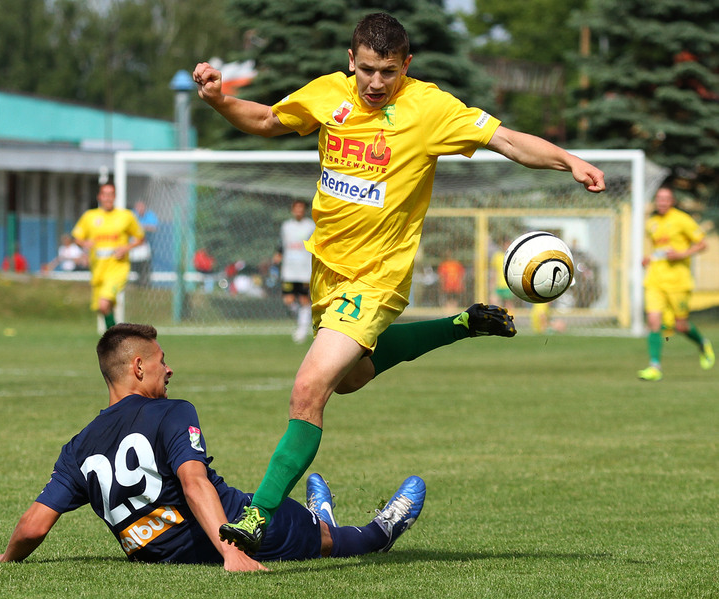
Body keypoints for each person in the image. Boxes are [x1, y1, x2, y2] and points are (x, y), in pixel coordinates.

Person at [193, 11, 605, 554]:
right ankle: (460, 324)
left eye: (388, 71)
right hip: (327, 272)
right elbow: (269, 119)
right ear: (351, 61)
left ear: (405, 65)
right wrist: (221, 100)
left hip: (378, 276)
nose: (375, 83)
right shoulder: (328, 94)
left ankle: (256, 517)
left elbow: (505, 141)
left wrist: (568, 160)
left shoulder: (429, 108)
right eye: (366, 70)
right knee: (349, 379)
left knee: (307, 390)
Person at [0, 324, 427, 572]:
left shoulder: (77, 447)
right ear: (138, 366)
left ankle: (317, 516)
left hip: (162, 553)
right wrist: (232, 550)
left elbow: (34, 527)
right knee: (349, 543)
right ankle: (382, 529)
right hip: (240, 524)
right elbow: (194, 483)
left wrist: (6, 557)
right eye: (161, 360)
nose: (169, 368)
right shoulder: (172, 411)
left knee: (311, 529)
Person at [637, 186, 714, 381]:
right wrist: (648, 259)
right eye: (659, 199)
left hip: (678, 281)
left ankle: (702, 343)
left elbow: (703, 244)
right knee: (653, 321)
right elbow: (658, 249)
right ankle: (654, 367)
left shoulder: (682, 220)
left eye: (666, 199)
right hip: (655, 279)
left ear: (672, 201)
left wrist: (682, 254)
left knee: (681, 326)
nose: (662, 202)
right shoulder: (652, 223)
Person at [72, 183, 146, 330]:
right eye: (104, 194)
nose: (107, 197)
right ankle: (115, 338)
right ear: (99, 196)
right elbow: (77, 238)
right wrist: (84, 244)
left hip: (118, 267)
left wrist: (126, 247)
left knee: (104, 304)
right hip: (98, 269)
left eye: (110, 194)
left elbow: (139, 238)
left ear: (115, 196)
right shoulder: (90, 216)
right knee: (103, 308)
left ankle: (114, 338)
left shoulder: (126, 216)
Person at [280, 199, 316, 343]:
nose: (299, 211)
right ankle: (301, 318)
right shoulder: (286, 226)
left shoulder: (311, 226)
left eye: (301, 208)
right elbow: (282, 244)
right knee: (288, 300)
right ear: (292, 210)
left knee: (303, 299)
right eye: (296, 208)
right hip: (289, 269)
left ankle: (302, 329)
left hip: (304, 269)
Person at [129, 200, 159, 286]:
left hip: (144, 243)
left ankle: (144, 282)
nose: (140, 209)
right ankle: (132, 282)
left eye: (142, 207)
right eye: (138, 207)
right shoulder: (132, 215)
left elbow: (154, 227)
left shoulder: (150, 215)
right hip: (132, 243)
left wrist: (141, 226)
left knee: (145, 263)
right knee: (132, 264)